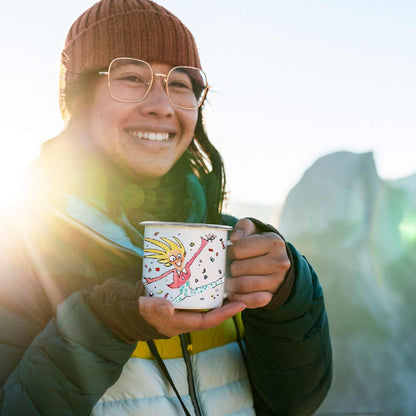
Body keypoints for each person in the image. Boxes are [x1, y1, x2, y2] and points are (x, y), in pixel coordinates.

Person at [0, 0, 332, 414]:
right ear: (80, 101)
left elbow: (292, 403)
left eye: (180, 84)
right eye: (131, 78)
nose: (162, 105)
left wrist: (286, 297)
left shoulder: (225, 242)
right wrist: (104, 324)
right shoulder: (20, 252)